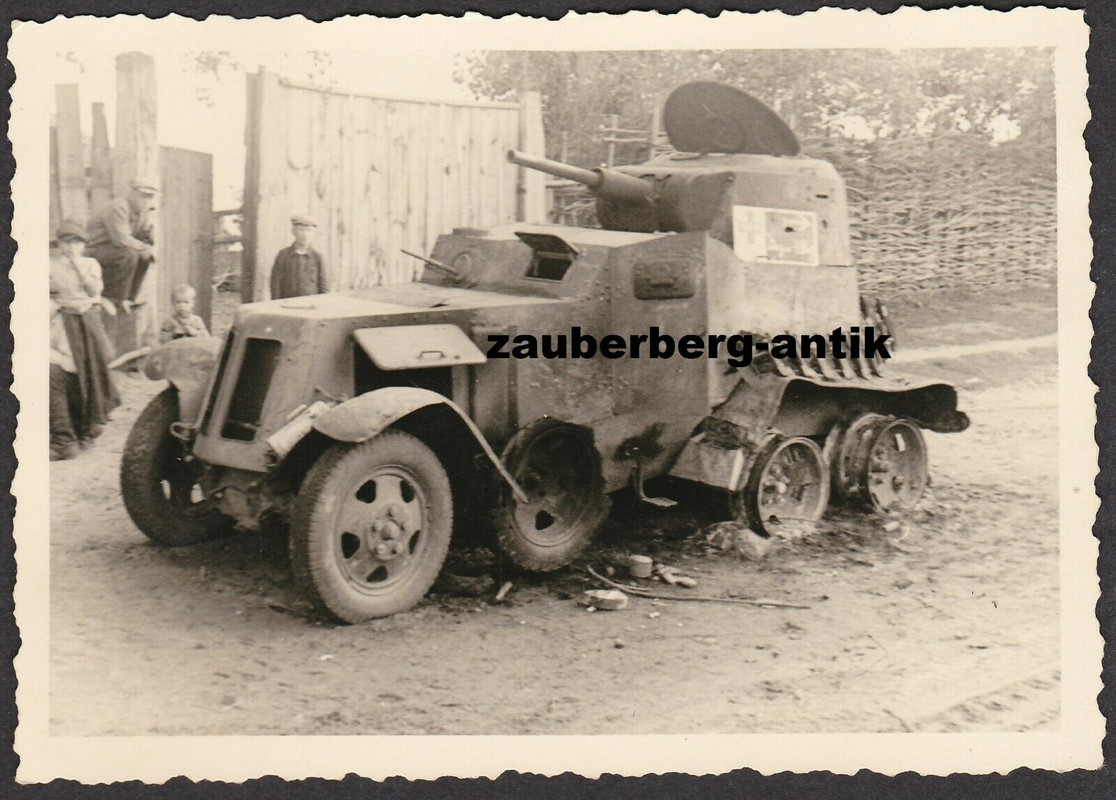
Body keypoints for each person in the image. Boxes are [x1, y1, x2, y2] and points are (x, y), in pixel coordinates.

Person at [50, 220, 120, 461]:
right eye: (66, 242)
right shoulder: (51, 265)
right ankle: (65, 439)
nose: (70, 248)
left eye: (76, 242)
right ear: (59, 244)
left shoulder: (90, 264)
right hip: (63, 319)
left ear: (83, 245)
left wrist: (78, 269)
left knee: (90, 372)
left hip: (86, 320)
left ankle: (87, 431)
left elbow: (93, 290)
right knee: (59, 371)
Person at [85, 176, 159, 313]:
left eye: (150, 197)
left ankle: (129, 297)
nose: (146, 201)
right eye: (142, 196)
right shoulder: (119, 207)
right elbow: (122, 240)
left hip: (112, 250)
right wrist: (144, 247)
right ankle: (111, 297)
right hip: (92, 250)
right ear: (132, 193)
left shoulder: (142, 212)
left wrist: (148, 233)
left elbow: (142, 238)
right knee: (129, 254)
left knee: (145, 256)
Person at [269, 216, 329, 300]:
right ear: (293, 232)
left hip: (310, 304)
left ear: (313, 234)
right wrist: (276, 303)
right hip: (286, 304)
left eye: (309, 230)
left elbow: (324, 286)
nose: (305, 234)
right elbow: (275, 283)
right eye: (301, 230)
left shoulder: (317, 257)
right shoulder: (283, 255)